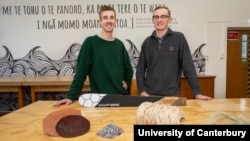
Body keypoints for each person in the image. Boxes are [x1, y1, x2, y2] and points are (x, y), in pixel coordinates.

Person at [53, 5, 133, 106]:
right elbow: (80, 73)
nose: (109, 21)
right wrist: (71, 96)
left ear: (116, 21)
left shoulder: (119, 45)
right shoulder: (90, 43)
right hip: (99, 100)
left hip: (120, 98)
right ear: (99, 22)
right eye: (105, 18)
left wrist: (126, 81)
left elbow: (128, 70)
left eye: (112, 18)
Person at [136, 6, 212, 100]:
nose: (159, 20)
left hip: (172, 96)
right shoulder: (147, 42)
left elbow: (188, 67)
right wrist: (142, 91)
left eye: (163, 16)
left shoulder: (179, 39)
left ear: (170, 20)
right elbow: (140, 69)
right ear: (153, 20)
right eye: (156, 17)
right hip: (149, 95)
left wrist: (197, 93)